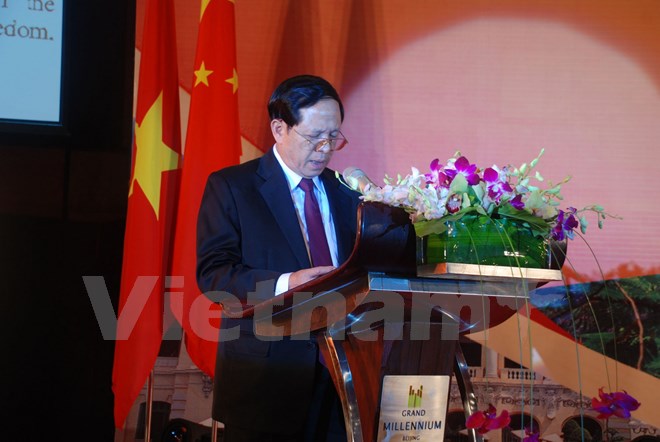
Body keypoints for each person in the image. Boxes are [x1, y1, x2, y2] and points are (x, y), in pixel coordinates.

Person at [196, 75, 361, 441]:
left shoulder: (348, 193)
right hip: (265, 383)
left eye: (334, 136)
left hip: (343, 382)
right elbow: (214, 274)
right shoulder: (233, 187)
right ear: (279, 129)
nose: (325, 149)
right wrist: (287, 283)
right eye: (314, 136)